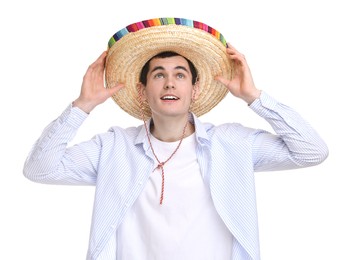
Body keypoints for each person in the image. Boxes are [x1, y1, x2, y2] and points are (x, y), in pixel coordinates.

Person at [23, 17, 329, 260]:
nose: (170, 82)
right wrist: (82, 106)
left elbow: (312, 151)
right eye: (159, 74)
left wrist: (255, 98)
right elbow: (40, 169)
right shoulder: (113, 147)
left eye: (180, 74)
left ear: (194, 89)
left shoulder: (232, 143)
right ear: (143, 91)